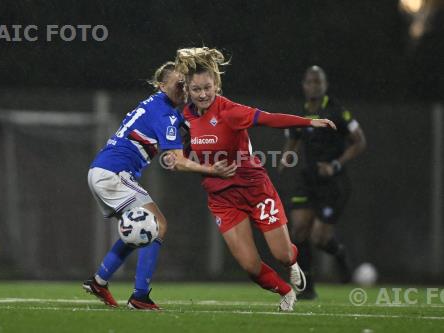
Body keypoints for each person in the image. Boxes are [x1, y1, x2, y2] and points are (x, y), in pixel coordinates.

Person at [170, 47, 336, 311]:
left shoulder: (229, 111)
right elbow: (180, 155)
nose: (202, 94)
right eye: (197, 89)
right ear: (188, 90)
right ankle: (285, 292)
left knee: (282, 254)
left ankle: (293, 264)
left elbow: (269, 119)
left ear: (217, 86)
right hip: (222, 197)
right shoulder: (184, 119)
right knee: (249, 265)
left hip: (254, 188)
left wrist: (309, 122)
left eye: (207, 88)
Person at [83, 61, 237, 310]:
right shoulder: (163, 113)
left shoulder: (157, 106)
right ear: (161, 85)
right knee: (157, 225)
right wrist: (211, 169)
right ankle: (139, 297)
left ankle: (99, 281)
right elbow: (176, 162)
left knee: (141, 230)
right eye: (178, 84)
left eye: (184, 85)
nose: (183, 89)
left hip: (105, 171)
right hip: (113, 173)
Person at [279, 66, 367, 300]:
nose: (314, 85)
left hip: (333, 182)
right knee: (298, 230)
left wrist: (336, 165)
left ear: (325, 85)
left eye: (318, 82)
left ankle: (339, 254)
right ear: (304, 85)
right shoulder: (301, 113)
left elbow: (359, 142)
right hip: (308, 179)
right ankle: (307, 287)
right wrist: (286, 156)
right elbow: (293, 138)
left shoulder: (337, 111)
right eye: (310, 81)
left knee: (320, 238)